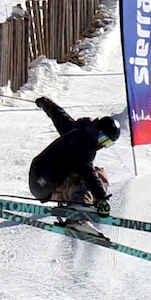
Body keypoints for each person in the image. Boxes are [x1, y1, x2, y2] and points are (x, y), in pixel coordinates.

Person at [29, 97, 119, 229]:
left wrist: (45, 103)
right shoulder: (87, 142)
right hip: (46, 181)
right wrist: (101, 198)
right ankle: (77, 216)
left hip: (38, 180)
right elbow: (87, 171)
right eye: (103, 138)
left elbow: (59, 115)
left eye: (107, 143)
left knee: (88, 173)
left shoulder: (76, 130)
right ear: (98, 131)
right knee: (97, 175)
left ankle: (79, 207)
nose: (102, 144)